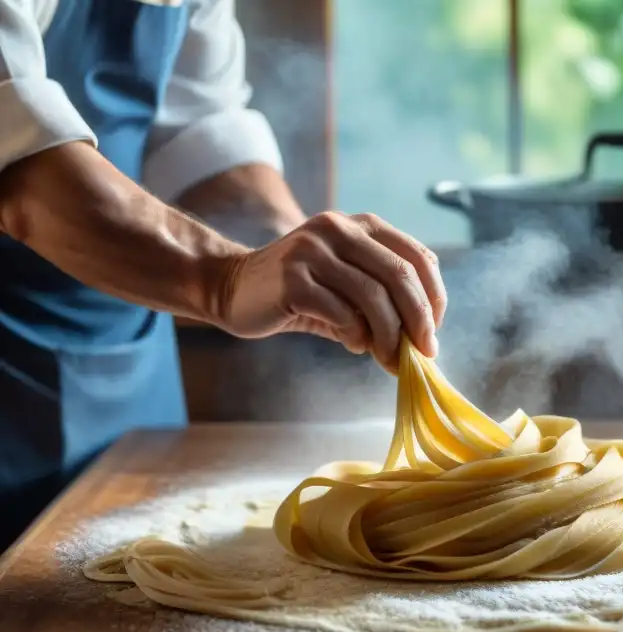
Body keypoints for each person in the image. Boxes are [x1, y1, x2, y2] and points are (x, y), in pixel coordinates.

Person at [0, 0, 447, 550]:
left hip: (129, 373)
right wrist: (226, 280)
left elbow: (196, 129)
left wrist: (291, 251)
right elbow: (22, 169)